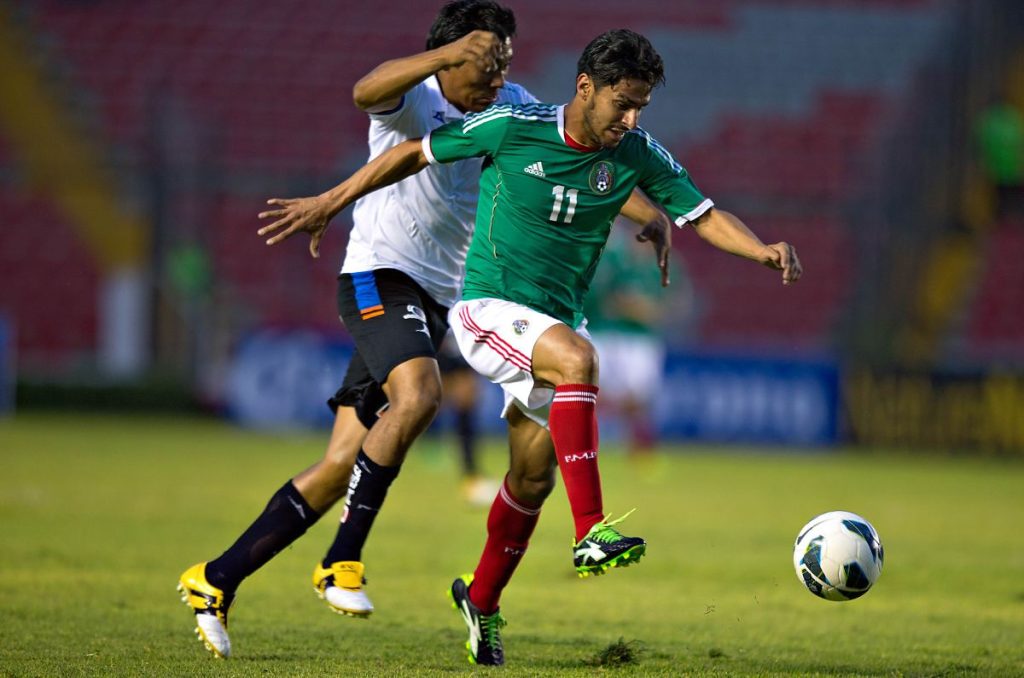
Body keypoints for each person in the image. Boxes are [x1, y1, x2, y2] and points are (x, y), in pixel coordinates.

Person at [257, 28, 801, 666]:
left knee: (532, 477)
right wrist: (330, 201)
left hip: (555, 320)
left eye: (641, 108)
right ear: (585, 87)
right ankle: (591, 530)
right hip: (488, 309)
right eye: (623, 103)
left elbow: (703, 215)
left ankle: (481, 600)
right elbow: (412, 154)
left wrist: (761, 249)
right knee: (579, 361)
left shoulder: (636, 153)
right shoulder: (514, 126)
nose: (631, 119)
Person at [176, 1, 659, 660]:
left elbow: (574, 154)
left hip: (445, 296)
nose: (497, 78)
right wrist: (443, 59)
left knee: (341, 464)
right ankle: (341, 561)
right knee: (421, 395)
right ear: (452, 57)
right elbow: (363, 91)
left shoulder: (512, 106)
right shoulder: (414, 100)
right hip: (381, 276)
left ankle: (214, 578)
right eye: (485, 63)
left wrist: (646, 212)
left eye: (504, 64)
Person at [583, 222, 695, 455]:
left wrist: (649, 311)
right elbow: (600, 296)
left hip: (643, 338)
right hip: (607, 333)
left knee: (640, 398)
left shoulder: (666, 265)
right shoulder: (616, 260)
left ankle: (637, 447)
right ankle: (589, 442)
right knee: (592, 390)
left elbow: (675, 306)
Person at [436, 330, 499, 506]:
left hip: (461, 336)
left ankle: (471, 476)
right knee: (424, 402)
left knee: (466, 403)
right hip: (437, 336)